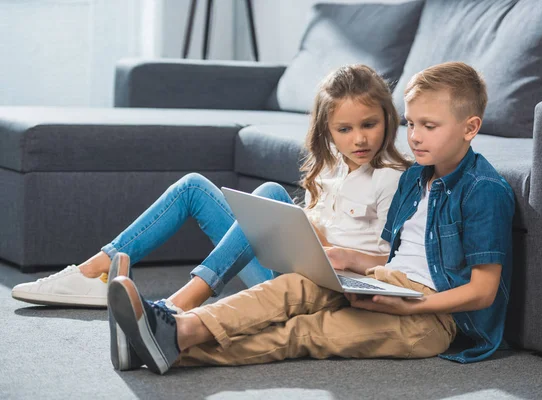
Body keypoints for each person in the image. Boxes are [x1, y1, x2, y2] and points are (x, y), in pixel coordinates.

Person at [107, 61, 515, 374]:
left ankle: (174, 347)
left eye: (429, 126)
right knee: (294, 288)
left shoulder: (484, 191)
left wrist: (412, 307)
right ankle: (179, 326)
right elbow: (395, 259)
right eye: (411, 124)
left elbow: (483, 291)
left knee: (306, 331)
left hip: (432, 320)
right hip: (387, 283)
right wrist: (351, 260)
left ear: (470, 127)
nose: (415, 136)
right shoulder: (415, 179)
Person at [12, 64, 412, 369]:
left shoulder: (390, 178)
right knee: (195, 188)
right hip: (293, 270)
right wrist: (304, 235)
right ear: (327, 131)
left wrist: (329, 250)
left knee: (272, 194)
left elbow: (389, 263)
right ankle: (98, 271)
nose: (358, 139)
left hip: (319, 293)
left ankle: (173, 306)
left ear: (388, 119)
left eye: (369, 125)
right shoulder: (331, 168)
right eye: (344, 129)